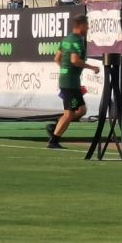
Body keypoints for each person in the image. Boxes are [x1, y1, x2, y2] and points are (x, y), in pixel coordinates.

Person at [46, 14, 99, 149]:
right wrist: (92, 67)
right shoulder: (76, 41)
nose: (88, 28)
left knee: (81, 110)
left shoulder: (66, 39)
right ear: (81, 26)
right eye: (87, 26)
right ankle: (54, 140)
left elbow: (56, 58)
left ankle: (56, 126)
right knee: (69, 113)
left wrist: (65, 70)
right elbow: (75, 60)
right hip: (70, 82)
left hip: (68, 80)